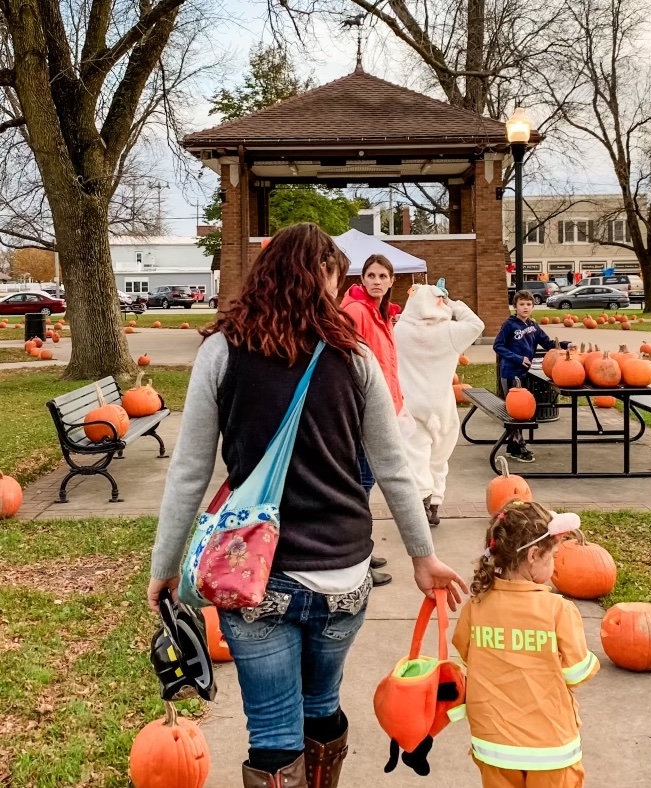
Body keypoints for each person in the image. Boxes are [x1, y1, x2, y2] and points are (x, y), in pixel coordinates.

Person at [146, 223, 468, 788]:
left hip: (255, 577)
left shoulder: (222, 351)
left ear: (264, 274)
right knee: (321, 703)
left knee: (272, 732)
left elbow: (190, 471)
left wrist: (166, 565)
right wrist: (423, 555)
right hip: (345, 574)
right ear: (322, 277)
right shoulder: (356, 355)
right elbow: (394, 468)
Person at [452, 500, 599, 788]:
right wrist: (591, 661)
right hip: (549, 746)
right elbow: (576, 673)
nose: (555, 564)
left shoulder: (477, 605)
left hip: (493, 746)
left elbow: (468, 657)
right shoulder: (558, 609)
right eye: (553, 556)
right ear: (533, 555)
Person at [394, 283, 484, 526]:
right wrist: (453, 304)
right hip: (441, 405)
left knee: (416, 456)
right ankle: (435, 503)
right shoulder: (451, 331)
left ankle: (421, 503)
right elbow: (477, 324)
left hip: (411, 404)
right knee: (439, 457)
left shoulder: (400, 331)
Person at [340, 253, 404, 587]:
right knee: (360, 487)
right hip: (363, 415)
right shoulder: (355, 312)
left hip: (381, 411)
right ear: (361, 279)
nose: (377, 281)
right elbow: (347, 365)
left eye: (383, 276)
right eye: (371, 275)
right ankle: (357, 562)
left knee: (365, 484)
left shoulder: (381, 314)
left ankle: (363, 551)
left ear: (392, 281)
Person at [493, 290, 572, 463]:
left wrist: (565, 345)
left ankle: (513, 445)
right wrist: (517, 358)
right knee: (515, 411)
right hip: (510, 373)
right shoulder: (509, 325)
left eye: (528, 304)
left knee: (521, 410)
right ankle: (518, 446)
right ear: (515, 306)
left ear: (533, 306)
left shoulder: (534, 326)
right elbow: (498, 346)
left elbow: (548, 343)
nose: (525, 307)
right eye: (521, 304)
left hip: (524, 374)